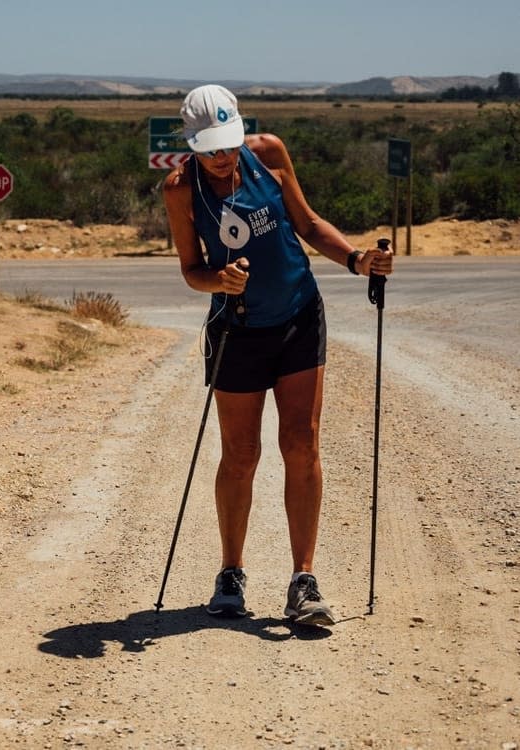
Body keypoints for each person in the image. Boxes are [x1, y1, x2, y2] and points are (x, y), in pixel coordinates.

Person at [162, 84, 394, 626]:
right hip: (235, 328)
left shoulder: (268, 153)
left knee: (301, 441)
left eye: (227, 144)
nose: (221, 157)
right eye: (209, 148)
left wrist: (357, 260)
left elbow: (308, 224)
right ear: (190, 143)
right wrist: (217, 280)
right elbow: (190, 270)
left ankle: (304, 580)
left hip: (297, 315)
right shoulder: (179, 189)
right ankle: (231, 573)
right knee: (241, 454)